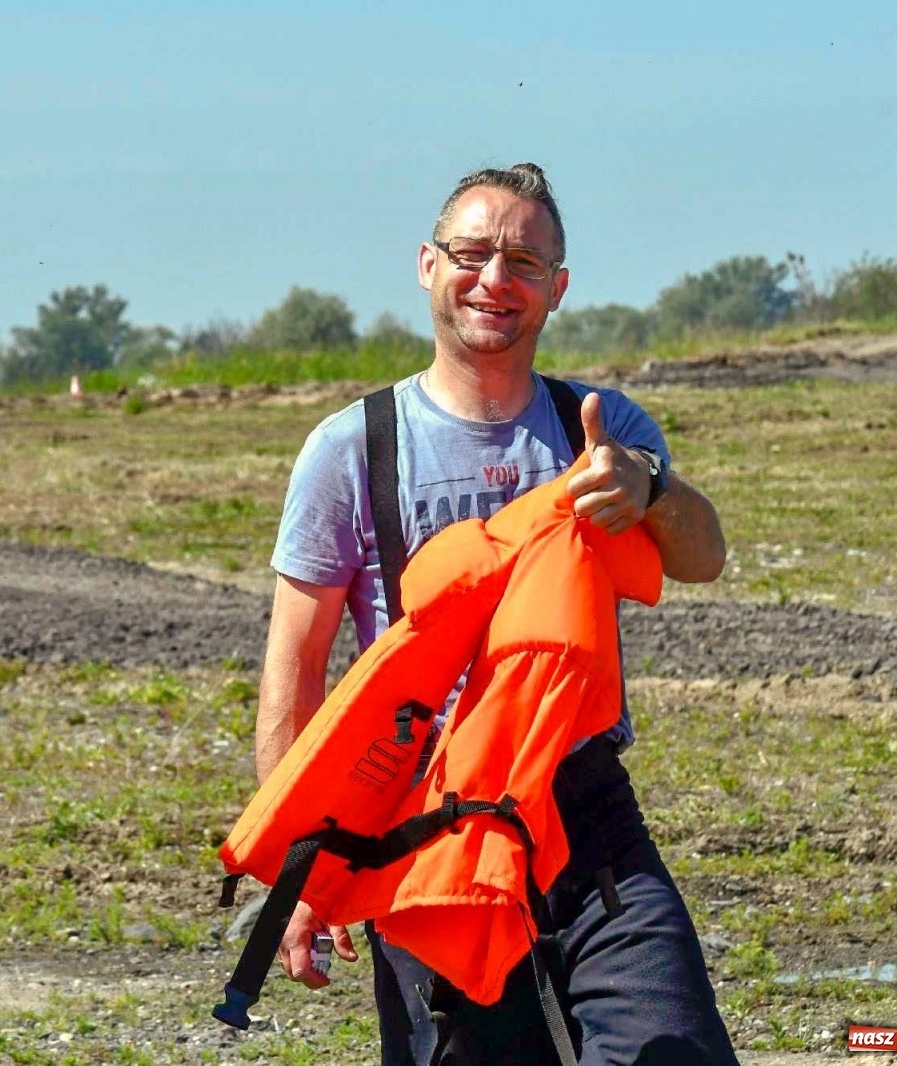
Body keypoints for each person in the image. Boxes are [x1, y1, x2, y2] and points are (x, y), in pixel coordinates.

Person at [257, 165, 738, 1065]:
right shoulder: (352, 449)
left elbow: (703, 556)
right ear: (427, 265)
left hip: (584, 813)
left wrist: (652, 488)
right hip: (425, 827)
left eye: (524, 262)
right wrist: (301, 872)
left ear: (558, 286)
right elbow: (297, 665)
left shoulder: (601, 428)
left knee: (674, 1049)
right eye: (472, 254)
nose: (494, 280)